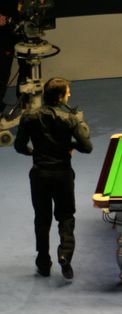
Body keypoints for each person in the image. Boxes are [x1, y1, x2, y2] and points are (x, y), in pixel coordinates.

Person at [14, 77, 92, 280]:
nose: (70, 94)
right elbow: (87, 147)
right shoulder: (69, 119)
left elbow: (19, 146)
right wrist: (72, 143)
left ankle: (43, 262)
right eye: (67, 92)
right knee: (65, 217)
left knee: (42, 219)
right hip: (62, 174)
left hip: (39, 174)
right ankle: (65, 255)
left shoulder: (29, 117)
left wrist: (33, 152)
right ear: (60, 97)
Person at [0, 0, 20, 115]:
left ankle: (23, 103)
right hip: (3, 34)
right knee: (2, 72)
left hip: (18, 29)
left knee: (26, 69)